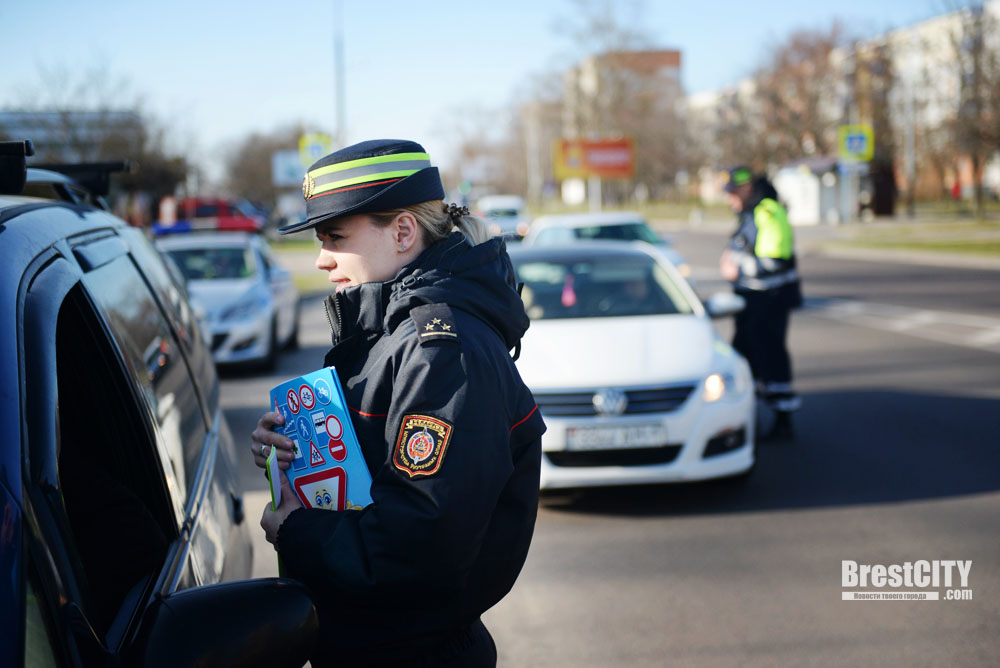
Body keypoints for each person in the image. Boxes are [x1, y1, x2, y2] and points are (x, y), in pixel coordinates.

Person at [251, 139, 546, 667]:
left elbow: (421, 544)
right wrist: (290, 454)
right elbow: (367, 475)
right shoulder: (389, 331)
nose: (322, 259)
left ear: (404, 232)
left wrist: (296, 532)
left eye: (336, 237)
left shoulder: (440, 352)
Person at [719, 166, 802, 440]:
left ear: (746, 189)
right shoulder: (751, 213)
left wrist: (736, 266)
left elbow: (773, 263)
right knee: (747, 356)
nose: (729, 199)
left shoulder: (767, 212)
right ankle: (749, 419)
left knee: (771, 356)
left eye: (732, 193)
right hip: (752, 300)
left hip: (769, 301)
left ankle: (782, 421)